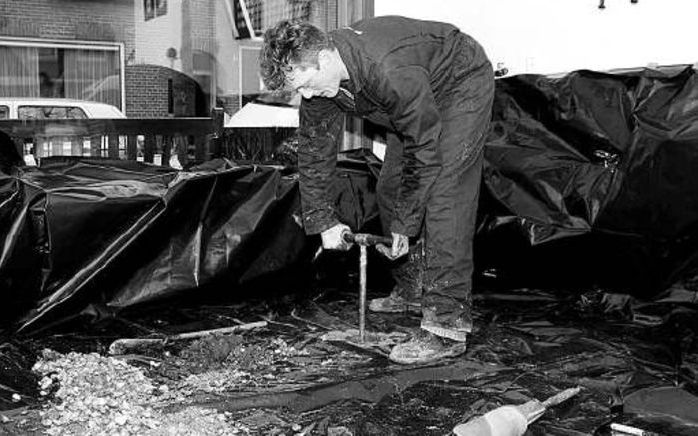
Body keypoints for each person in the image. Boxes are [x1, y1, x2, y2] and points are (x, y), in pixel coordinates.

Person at [260, 16, 494, 364]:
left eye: (307, 84)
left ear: (324, 59)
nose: (306, 96)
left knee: (446, 196)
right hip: (412, 97)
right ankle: (414, 288)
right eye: (299, 91)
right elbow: (314, 153)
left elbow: (424, 152)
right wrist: (323, 220)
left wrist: (404, 224)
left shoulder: (387, 69)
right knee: (389, 187)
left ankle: (447, 324)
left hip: (459, 82)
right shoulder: (320, 81)